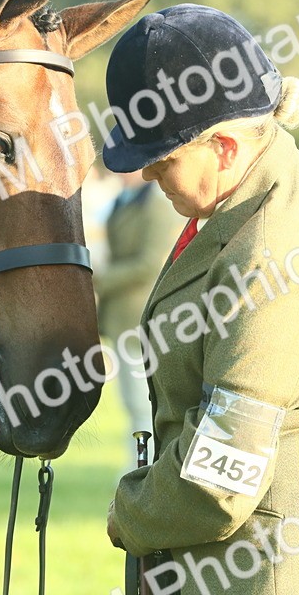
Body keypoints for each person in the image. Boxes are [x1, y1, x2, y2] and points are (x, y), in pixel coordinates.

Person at [99, 5, 299, 595]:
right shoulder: (249, 194)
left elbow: (221, 478)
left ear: (222, 146)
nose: (147, 177)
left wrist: (129, 513)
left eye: (162, 160)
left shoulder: (269, 250)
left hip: (282, 579)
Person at [95, 170, 185, 466]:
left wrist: (102, 278)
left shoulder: (156, 204)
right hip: (119, 316)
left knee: (141, 405)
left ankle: (141, 471)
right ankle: (135, 471)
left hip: (140, 316)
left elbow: (149, 263)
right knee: (132, 405)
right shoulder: (124, 200)